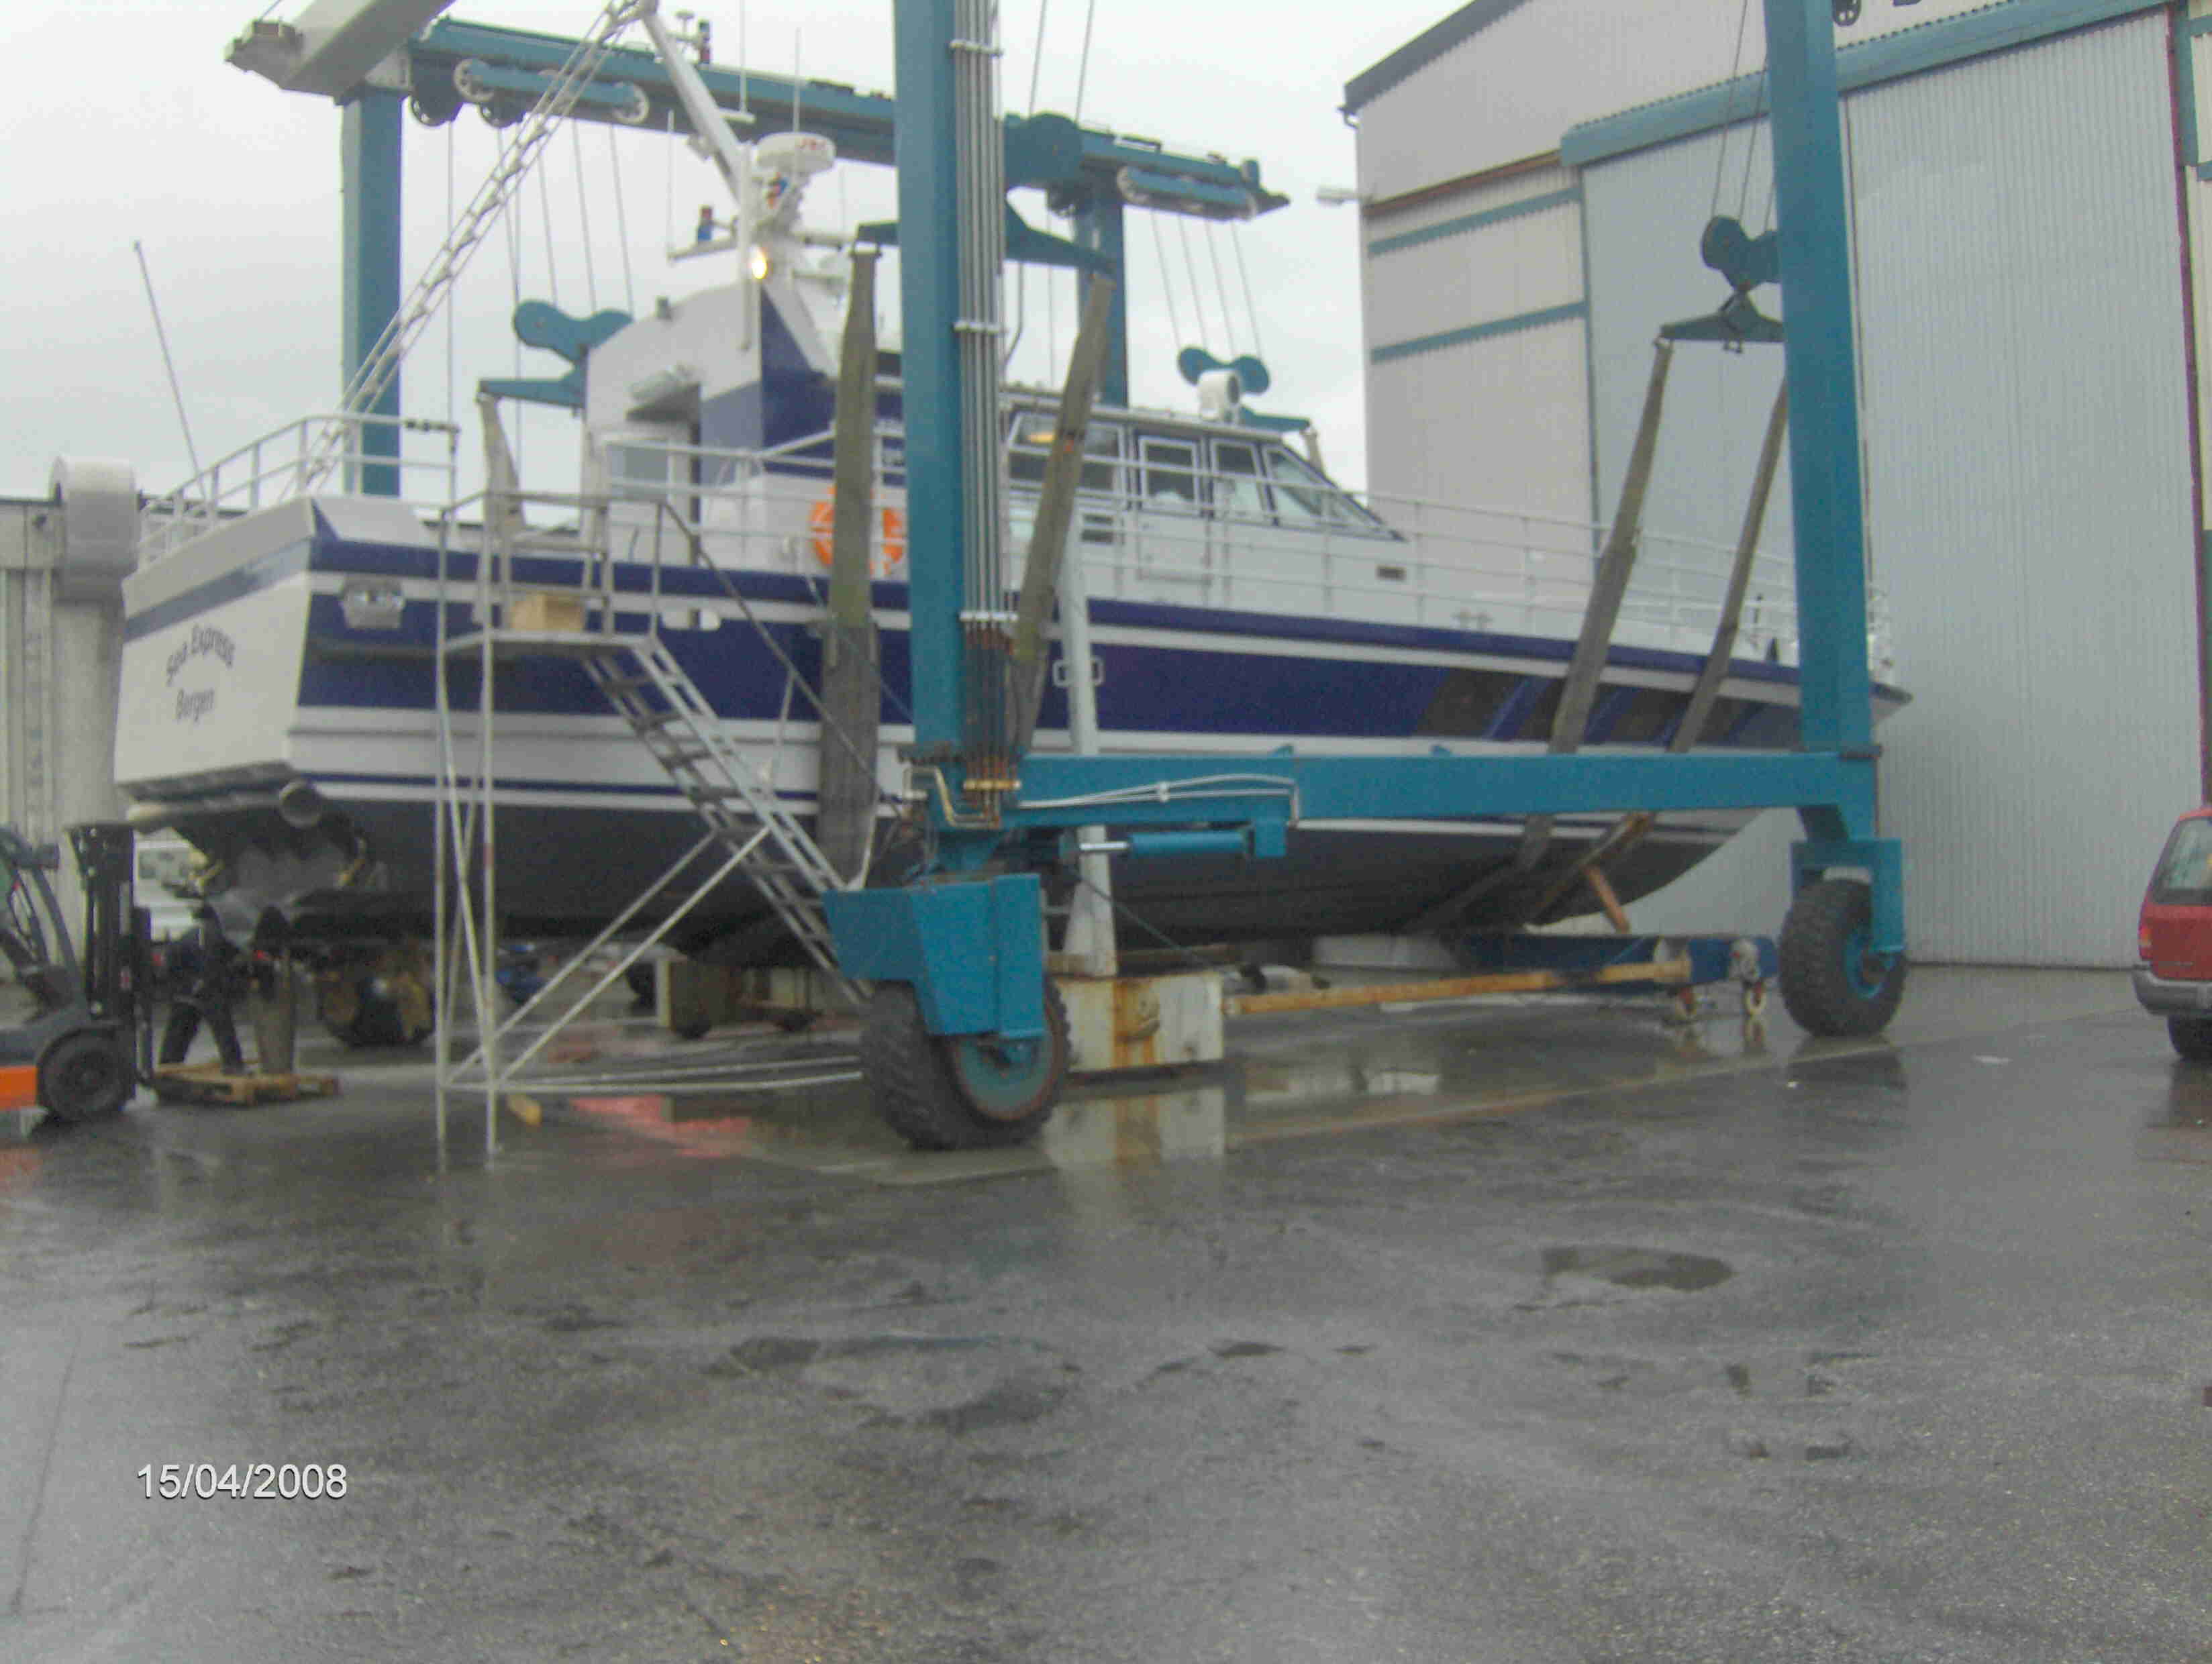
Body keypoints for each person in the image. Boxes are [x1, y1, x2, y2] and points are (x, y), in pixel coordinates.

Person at [159, 906, 246, 1074]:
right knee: (222, 1028)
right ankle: (233, 1065)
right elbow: (218, 961)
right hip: (206, 988)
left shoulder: (189, 935)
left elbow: (170, 963)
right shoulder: (214, 934)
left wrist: (184, 985)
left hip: (185, 990)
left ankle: (168, 1066)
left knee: (180, 1030)